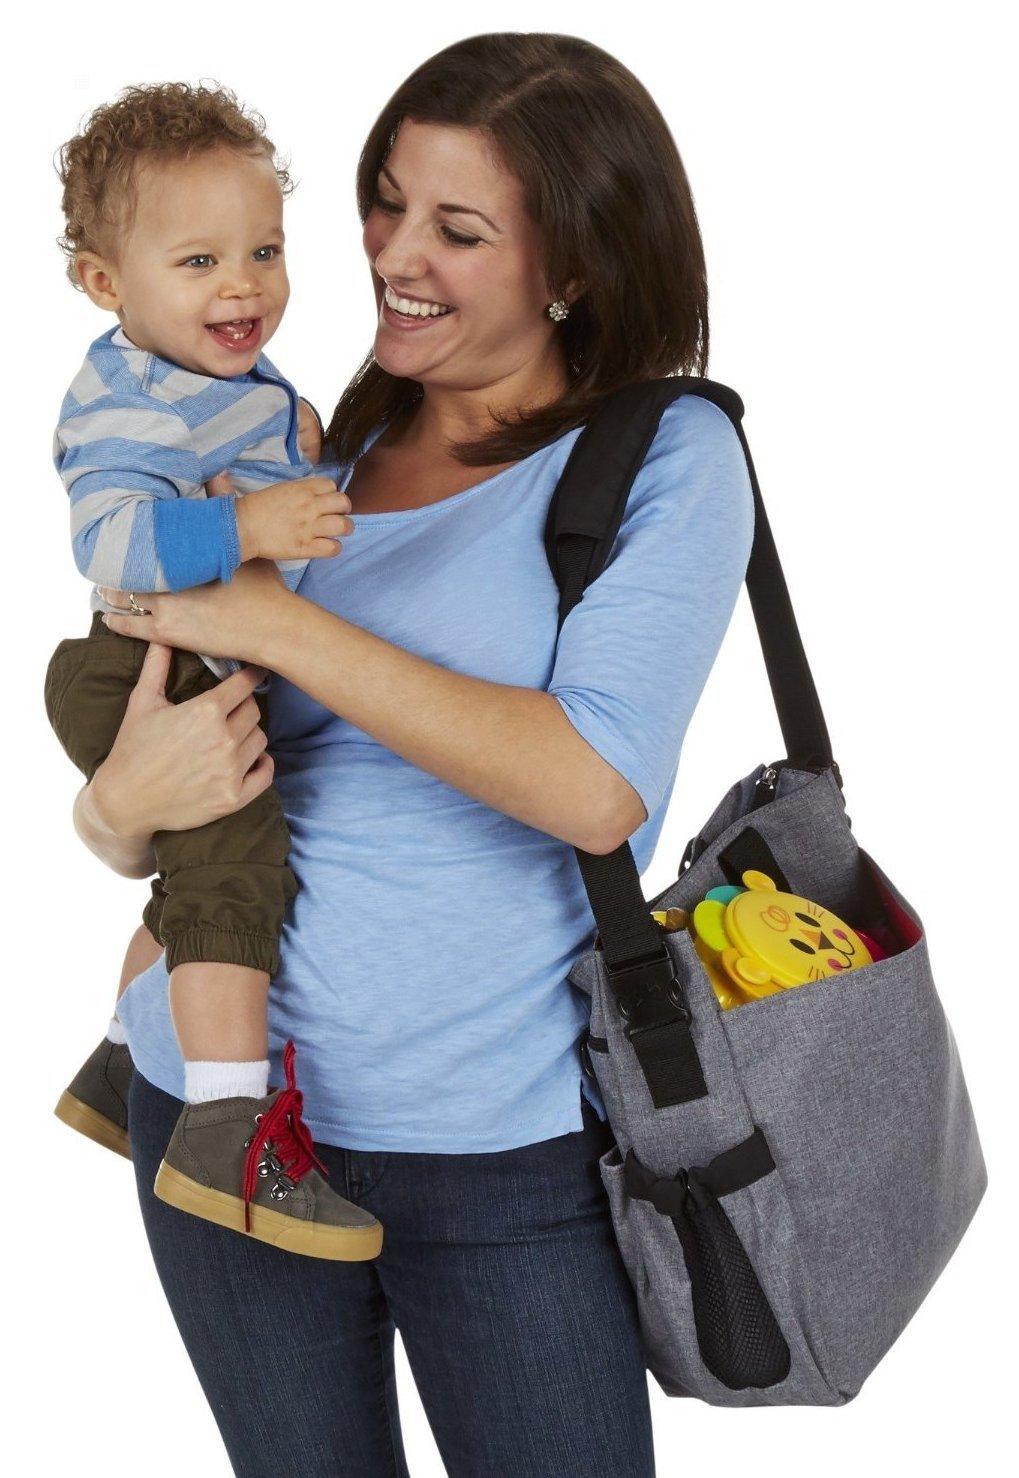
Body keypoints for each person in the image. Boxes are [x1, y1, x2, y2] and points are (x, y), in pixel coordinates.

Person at [73, 33, 755, 1477]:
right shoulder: (313, 442)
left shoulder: (659, 457)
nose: (393, 254)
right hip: (228, 1126)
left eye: (457, 227)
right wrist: (113, 815)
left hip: (495, 1147)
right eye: (385, 203)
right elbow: (182, 746)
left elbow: (591, 786)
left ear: (573, 263)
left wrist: (280, 620)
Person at [44, 81, 379, 1257]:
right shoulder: (129, 396)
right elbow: (109, 539)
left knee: (197, 872)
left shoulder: (218, 377)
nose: (243, 285)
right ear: (105, 282)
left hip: (191, 660)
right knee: (236, 863)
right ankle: (227, 1127)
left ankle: (122, 1057)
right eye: (198, 261)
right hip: (142, 666)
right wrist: (250, 525)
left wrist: (291, 472)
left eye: (264, 251)